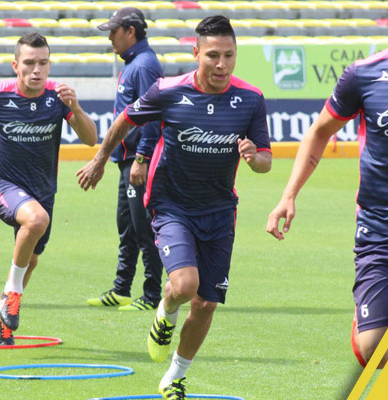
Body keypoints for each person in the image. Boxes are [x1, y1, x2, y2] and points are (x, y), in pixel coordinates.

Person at [78, 16, 272, 398]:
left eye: (229, 56)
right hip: (171, 206)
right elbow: (125, 120)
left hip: (220, 212)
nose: (222, 65)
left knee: (206, 304)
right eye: (213, 55)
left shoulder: (250, 99)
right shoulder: (168, 90)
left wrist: (254, 158)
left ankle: (175, 376)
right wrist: (101, 160)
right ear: (195, 53)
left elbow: (265, 160)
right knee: (185, 285)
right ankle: (166, 311)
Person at [267, 0, 388, 368]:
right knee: (373, 346)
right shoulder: (365, 74)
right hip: (381, 231)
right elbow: (319, 132)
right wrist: (288, 195)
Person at [0, 32, 97, 345]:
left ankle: (2, 315)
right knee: (36, 221)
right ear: (15, 66)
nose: (37, 70)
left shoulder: (57, 98)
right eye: (29, 63)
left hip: (43, 191)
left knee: (31, 259)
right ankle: (12, 296)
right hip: (2, 185)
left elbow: (90, 139)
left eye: (43, 63)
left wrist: (75, 109)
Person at [85, 7, 165, 311]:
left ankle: (152, 294)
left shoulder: (144, 65)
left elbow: (153, 116)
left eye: (113, 31)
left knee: (144, 228)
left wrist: (142, 158)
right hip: (126, 157)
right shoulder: (134, 63)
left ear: (130, 31)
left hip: (138, 158)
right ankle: (121, 288)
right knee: (127, 226)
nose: (110, 38)